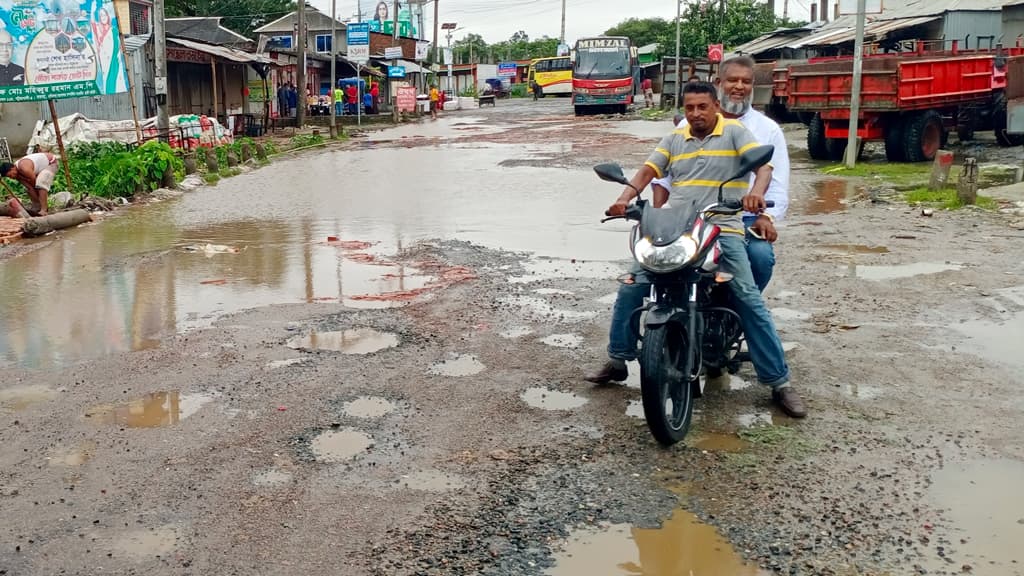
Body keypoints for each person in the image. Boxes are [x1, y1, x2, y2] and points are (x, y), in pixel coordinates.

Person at [584, 81, 807, 419]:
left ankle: (779, 382)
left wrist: (755, 196)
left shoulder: (734, 132)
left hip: (722, 228)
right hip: (677, 226)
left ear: (716, 106)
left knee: (747, 296)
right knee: (632, 283)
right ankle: (617, 359)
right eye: (690, 108)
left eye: (702, 107)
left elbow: (763, 167)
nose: (696, 114)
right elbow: (648, 171)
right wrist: (623, 199)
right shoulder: (676, 136)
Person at [653, 55, 789, 292]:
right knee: (654, 262)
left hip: (743, 217)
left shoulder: (768, 129)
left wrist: (766, 217)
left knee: (760, 257)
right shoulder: (687, 125)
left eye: (746, 82)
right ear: (718, 83)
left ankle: (742, 312)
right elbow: (661, 176)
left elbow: (776, 182)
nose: (739, 87)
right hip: (689, 215)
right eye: (732, 80)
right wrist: (658, 217)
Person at [1, 152, 60, 217]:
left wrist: (40, 197)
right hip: (40, 168)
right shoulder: (17, 175)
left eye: (10, 175)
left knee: (40, 183)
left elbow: (34, 182)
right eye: (9, 177)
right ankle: (37, 207)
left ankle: (44, 209)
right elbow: (29, 187)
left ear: (13, 168)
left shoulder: (23, 168)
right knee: (29, 189)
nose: (11, 177)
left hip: (51, 163)